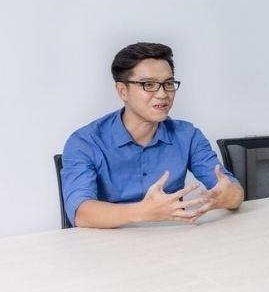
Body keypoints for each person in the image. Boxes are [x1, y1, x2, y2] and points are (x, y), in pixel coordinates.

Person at [60, 42, 244, 228]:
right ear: (122, 91)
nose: (162, 94)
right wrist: (142, 212)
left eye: (168, 84)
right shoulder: (85, 142)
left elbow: (232, 189)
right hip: (108, 241)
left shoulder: (187, 136)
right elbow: (81, 213)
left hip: (173, 238)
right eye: (149, 84)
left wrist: (230, 196)